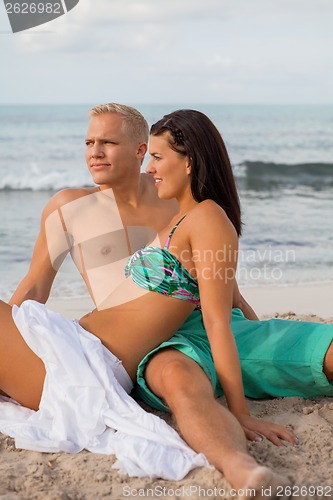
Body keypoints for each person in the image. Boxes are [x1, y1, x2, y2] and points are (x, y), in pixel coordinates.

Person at [0, 107, 294, 496]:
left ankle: (242, 469)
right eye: (89, 142)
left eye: (108, 142)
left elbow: (226, 299)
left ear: (141, 150)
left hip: (107, 360)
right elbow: (35, 288)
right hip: (72, 345)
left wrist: (256, 346)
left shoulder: (178, 205)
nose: (95, 152)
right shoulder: (68, 207)